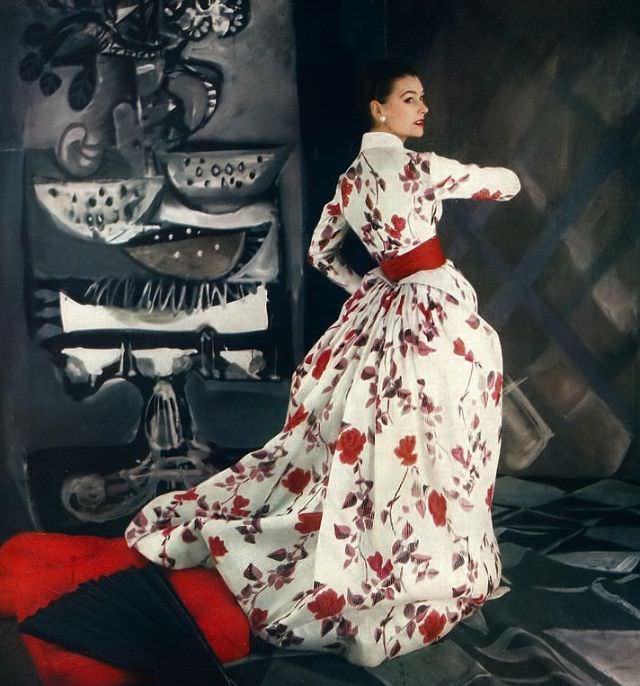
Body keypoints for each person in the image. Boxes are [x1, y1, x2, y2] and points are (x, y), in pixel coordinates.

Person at [125, 58, 521, 668]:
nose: (423, 109)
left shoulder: (349, 182)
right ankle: (428, 556)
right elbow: (506, 184)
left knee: (388, 434)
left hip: (386, 304)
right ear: (379, 109)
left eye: (423, 99)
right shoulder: (417, 168)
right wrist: (480, 181)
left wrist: (370, 286)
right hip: (433, 307)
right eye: (410, 99)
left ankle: (392, 539)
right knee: (443, 428)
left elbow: (320, 253)